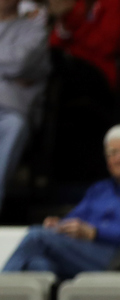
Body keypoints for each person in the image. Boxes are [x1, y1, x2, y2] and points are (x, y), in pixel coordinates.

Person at [3, 124, 120, 278]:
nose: (119, 158)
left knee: (37, 236)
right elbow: (76, 217)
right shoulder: (99, 189)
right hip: (82, 252)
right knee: (38, 264)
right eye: (112, 153)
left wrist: (95, 232)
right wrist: (59, 225)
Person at [0, 0, 50, 215]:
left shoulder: (34, 30)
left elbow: (20, 62)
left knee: (14, 126)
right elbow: (12, 65)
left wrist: (13, 69)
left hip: (10, 110)